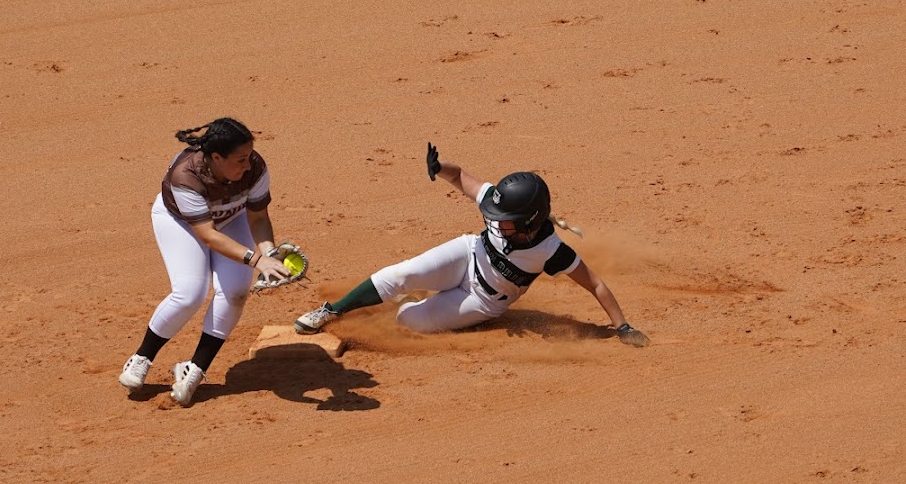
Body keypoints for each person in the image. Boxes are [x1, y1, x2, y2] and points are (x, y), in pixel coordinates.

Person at [294, 143, 649, 345]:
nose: (496, 219)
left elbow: (595, 284)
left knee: (408, 320)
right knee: (401, 274)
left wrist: (622, 327)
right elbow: (461, 177)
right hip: (466, 256)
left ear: (529, 221)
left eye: (505, 219)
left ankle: (407, 303)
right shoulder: (500, 205)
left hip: (483, 301)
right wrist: (439, 167)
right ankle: (333, 310)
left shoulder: (551, 250)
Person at [119, 118, 293, 405]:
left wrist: (270, 253)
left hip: (231, 217)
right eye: (240, 159)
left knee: (236, 292)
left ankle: (194, 368)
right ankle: (142, 357)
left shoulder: (255, 167)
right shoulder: (185, 176)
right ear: (216, 157)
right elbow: (208, 235)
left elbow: (259, 218)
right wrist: (256, 259)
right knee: (190, 292)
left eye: (249, 155)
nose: (248, 164)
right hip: (181, 223)